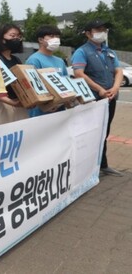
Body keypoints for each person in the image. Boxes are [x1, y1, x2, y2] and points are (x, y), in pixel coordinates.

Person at [71, 19, 123, 176]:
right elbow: (78, 73)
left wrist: (114, 88)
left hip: (110, 97)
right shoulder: (82, 51)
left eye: (104, 29)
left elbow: (118, 71)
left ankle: (102, 164)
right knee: (91, 132)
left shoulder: (110, 51)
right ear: (88, 33)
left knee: (104, 131)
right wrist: (100, 89)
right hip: (93, 99)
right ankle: (86, 167)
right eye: (98, 29)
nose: (102, 32)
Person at [0, 23, 29, 126]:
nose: (16, 39)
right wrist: (11, 102)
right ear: (2, 39)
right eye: (12, 36)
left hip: (19, 105)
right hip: (2, 105)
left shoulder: (16, 60)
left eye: (18, 36)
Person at [25, 25, 68, 117]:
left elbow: (66, 83)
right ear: (41, 40)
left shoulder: (60, 61)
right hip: (40, 112)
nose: (56, 39)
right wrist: (47, 105)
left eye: (57, 37)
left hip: (60, 110)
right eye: (52, 36)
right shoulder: (34, 60)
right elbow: (32, 87)